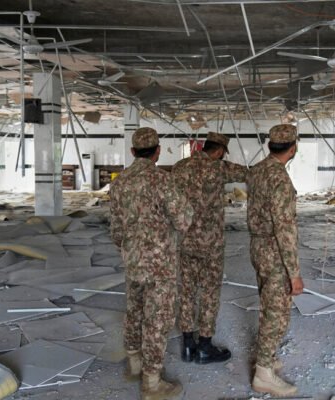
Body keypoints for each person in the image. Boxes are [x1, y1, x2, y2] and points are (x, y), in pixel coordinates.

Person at [110, 127, 193, 400]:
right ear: (157, 152)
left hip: (133, 260)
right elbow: (183, 220)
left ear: (133, 152)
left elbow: (116, 231)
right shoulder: (163, 180)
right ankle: (152, 383)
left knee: (134, 310)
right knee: (157, 318)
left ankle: (134, 364)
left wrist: (131, 248)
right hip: (160, 263)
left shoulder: (119, 182)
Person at [172, 132, 247, 364]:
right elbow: (249, 173)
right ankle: (204, 346)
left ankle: (187, 345)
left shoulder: (180, 167)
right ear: (220, 151)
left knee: (186, 291)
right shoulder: (220, 168)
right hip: (211, 244)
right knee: (209, 293)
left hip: (185, 241)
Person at [246, 124, 304, 397]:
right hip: (274, 251)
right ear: (292, 148)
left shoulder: (257, 170)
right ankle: (263, 374)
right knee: (276, 311)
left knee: (268, 303)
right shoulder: (279, 179)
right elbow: (284, 228)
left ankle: (266, 356)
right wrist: (294, 273)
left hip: (258, 246)